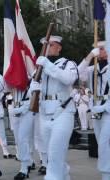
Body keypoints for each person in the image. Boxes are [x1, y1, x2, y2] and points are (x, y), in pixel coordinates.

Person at [30, 35, 78, 180]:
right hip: (44, 112)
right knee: (51, 153)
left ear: (59, 48)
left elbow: (68, 79)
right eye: (46, 45)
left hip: (62, 112)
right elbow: (30, 88)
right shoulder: (40, 68)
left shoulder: (68, 64)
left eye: (51, 45)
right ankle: (64, 175)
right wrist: (33, 87)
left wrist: (47, 65)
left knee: (55, 151)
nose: (48, 47)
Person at [78, 41, 110, 180]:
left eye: (101, 49)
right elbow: (78, 73)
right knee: (101, 143)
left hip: (108, 111)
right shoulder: (92, 69)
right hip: (96, 112)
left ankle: (105, 174)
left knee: (103, 143)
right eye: (97, 49)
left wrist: (104, 107)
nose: (99, 51)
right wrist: (90, 55)